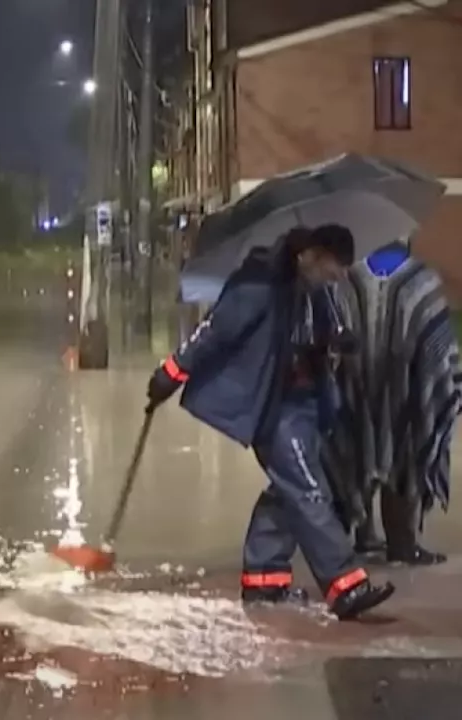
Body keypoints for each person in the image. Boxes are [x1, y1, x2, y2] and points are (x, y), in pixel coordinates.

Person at [147, 224, 395, 621]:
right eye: (334, 267)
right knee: (310, 491)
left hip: (307, 403)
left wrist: (339, 339)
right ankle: (345, 585)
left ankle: (264, 580)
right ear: (310, 255)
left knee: (288, 492)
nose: (339, 276)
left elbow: (323, 330)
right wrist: (171, 373)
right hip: (272, 407)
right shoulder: (258, 285)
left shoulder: (313, 289)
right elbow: (214, 333)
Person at [326, 239, 457, 565]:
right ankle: (403, 542)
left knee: (360, 450)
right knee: (407, 455)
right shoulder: (422, 279)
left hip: (357, 384)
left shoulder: (349, 277)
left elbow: (332, 330)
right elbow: (439, 349)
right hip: (407, 387)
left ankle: (365, 533)